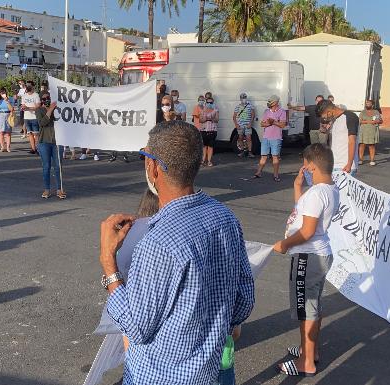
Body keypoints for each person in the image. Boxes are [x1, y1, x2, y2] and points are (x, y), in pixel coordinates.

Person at [99, 120, 254, 385]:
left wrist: (108, 264)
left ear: (153, 166)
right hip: (211, 372)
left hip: (160, 377)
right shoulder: (225, 218)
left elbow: (137, 328)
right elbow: (242, 304)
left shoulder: (158, 242)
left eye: (146, 157)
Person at [273, 143, 339, 378]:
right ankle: (309, 350)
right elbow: (304, 214)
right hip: (318, 255)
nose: (304, 168)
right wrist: (297, 187)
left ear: (311, 165)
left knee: (306, 310)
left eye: (305, 165)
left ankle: (306, 361)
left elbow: (308, 230)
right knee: (312, 305)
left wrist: (285, 244)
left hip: (307, 256)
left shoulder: (317, 193)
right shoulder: (329, 189)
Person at [36, 91, 66, 199]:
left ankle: (60, 189)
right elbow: (42, 123)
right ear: (41, 101)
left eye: (47, 98)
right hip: (44, 141)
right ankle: (47, 189)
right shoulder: (39, 110)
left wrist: (55, 108)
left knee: (58, 167)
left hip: (57, 141)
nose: (46, 100)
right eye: (44, 99)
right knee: (46, 167)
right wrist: (50, 109)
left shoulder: (58, 110)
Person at [316, 100, 358, 174]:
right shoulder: (334, 120)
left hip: (345, 166)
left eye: (324, 117)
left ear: (329, 112)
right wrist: (325, 129)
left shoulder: (350, 117)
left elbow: (352, 141)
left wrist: (349, 164)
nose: (325, 119)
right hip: (334, 164)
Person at [254, 95, 286, 182]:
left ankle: (276, 175)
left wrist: (273, 122)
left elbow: (283, 125)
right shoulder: (266, 111)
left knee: (275, 157)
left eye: (271, 101)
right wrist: (271, 123)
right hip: (266, 137)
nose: (269, 103)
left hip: (276, 138)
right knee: (263, 156)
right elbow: (262, 124)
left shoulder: (282, 112)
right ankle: (258, 172)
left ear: (276, 102)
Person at [358, 99, 382, 166]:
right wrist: (369, 122)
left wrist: (377, 121)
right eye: (366, 103)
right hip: (363, 131)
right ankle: (360, 159)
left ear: (372, 105)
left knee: (371, 145)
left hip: (372, 131)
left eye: (368, 103)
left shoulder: (376, 112)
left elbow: (380, 121)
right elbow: (360, 121)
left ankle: (372, 160)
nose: (367, 104)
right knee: (362, 145)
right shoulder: (362, 112)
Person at [21, 80, 41, 154]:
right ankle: (33, 148)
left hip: (34, 117)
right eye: (27, 85)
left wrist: (28, 108)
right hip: (27, 117)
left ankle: (38, 149)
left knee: (36, 134)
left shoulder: (36, 95)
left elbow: (38, 106)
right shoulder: (24, 96)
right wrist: (24, 107)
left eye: (29, 85)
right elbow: (23, 105)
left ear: (32, 86)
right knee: (30, 133)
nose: (28, 86)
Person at [233, 92, 255, 158]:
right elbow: (234, 117)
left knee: (249, 138)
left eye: (245, 97)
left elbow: (253, 115)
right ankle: (242, 151)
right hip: (240, 125)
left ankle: (250, 152)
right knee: (240, 138)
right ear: (240, 99)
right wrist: (236, 125)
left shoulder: (250, 106)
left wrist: (250, 123)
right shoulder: (237, 107)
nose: (244, 99)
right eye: (242, 98)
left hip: (247, 125)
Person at [0, 87, 14, 153]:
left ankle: (8, 147)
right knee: (1, 132)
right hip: (0, 115)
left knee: (8, 133)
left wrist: (7, 101)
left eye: (4, 92)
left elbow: (11, 109)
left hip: (8, 115)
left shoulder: (10, 99)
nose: (3, 94)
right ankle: (2, 147)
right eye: (1, 93)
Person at [199, 95, 219, 166]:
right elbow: (200, 120)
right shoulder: (203, 110)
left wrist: (210, 119)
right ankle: (203, 160)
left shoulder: (216, 110)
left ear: (213, 103)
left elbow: (216, 120)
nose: (209, 104)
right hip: (204, 130)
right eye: (208, 102)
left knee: (210, 146)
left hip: (212, 130)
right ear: (206, 102)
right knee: (204, 146)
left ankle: (209, 161)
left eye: (211, 103)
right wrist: (207, 119)